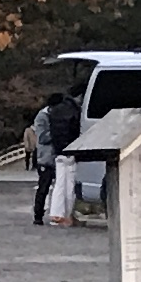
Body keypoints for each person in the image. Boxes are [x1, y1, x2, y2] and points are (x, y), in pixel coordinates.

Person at [30, 86, 84, 226]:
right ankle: (38, 215)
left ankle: (61, 214)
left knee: (60, 185)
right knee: (44, 186)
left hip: (56, 155)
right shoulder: (42, 117)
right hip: (46, 157)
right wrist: (56, 133)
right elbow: (42, 138)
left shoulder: (54, 114)